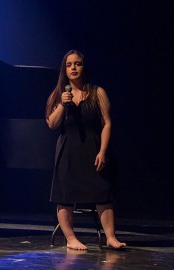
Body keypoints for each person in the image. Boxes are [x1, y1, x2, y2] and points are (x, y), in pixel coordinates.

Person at [45, 49, 126, 250]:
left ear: (84, 66)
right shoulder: (58, 95)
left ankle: (111, 237)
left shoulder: (97, 93)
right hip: (68, 151)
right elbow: (52, 124)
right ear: (65, 69)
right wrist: (63, 104)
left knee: (103, 192)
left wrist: (103, 151)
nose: (74, 68)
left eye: (78, 64)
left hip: (93, 148)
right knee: (65, 195)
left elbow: (107, 123)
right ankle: (71, 238)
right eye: (69, 64)